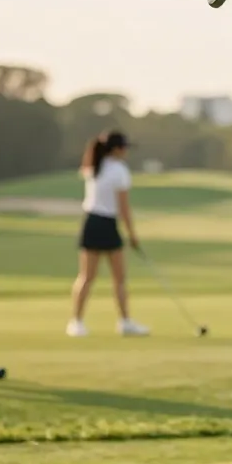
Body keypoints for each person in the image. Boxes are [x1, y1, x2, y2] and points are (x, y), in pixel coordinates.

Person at [66, 129, 150, 337]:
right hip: (106, 222)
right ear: (116, 149)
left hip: (91, 222)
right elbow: (124, 208)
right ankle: (124, 321)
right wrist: (132, 235)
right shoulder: (119, 170)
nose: (126, 152)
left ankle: (77, 322)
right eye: (124, 148)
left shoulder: (94, 165)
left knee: (87, 276)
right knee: (118, 278)